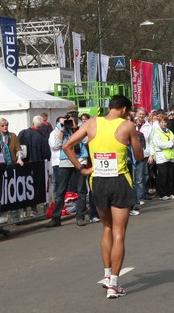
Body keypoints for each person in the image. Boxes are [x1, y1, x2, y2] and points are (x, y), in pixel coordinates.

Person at [61, 95, 145, 298]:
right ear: (123, 109)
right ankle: (114, 284)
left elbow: (66, 146)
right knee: (119, 233)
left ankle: (107, 275)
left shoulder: (91, 123)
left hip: (98, 180)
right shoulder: (127, 125)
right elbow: (139, 156)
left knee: (106, 227)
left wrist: (81, 168)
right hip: (119, 180)